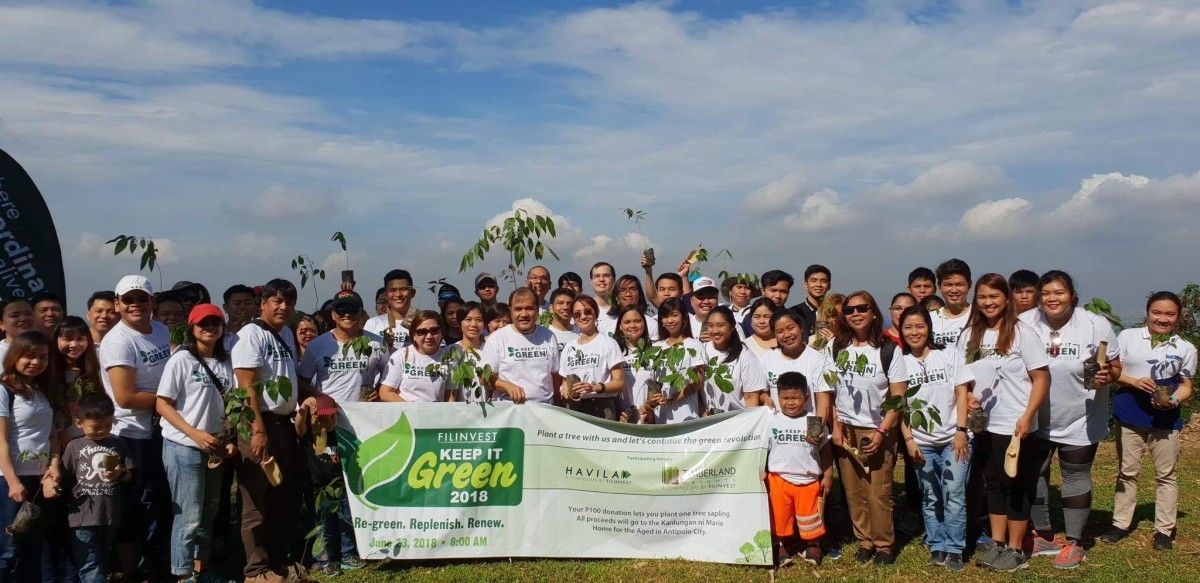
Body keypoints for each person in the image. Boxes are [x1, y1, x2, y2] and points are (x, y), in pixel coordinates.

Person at [1021, 270, 1119, 568]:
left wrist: (1107, 377)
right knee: (1035, 473)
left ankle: (1074, 542)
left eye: (1059, 292)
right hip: (1036, 416)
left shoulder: (1094, 323)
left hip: (1081, 415)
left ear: (1072, 296)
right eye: (1046, 293)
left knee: (1075, 475)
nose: (1052, 298)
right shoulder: (1025, 323)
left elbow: (1115, 367)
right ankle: (1045, 536)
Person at [957, 274, 1050, 573]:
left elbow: (1041, 378)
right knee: (993, 484)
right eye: (982, 297)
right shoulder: (970, 335)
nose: (988, 303)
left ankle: (1016, 548)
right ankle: (998, 544)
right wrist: (969, 396)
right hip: (984, 425)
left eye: (994, 297)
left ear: (1006, 299)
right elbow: (963, 377)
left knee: (1017, 486)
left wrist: (1028, 416)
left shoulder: (1024, 334)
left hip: (1015, 424)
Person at [1100, 291, 1196, 551]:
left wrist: (1174, 400)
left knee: (1166, 475)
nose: (1162, 319)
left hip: (1165, 419)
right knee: (1127, 472)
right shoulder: (1129, 337)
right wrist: (1134, 381)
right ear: (1147, 313)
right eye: (1157, 312)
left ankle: (1164, 529)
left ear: (1178, 317)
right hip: (1129, 412)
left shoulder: (1185, 347)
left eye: (1169, 314)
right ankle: (1120, 524)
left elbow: (1187, 385)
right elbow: (1113, 372)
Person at [298, 291, 385, 574]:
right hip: (326, 429)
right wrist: (321, 398)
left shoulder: (376, 345)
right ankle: (325, 554)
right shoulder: (319, 345)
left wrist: (378, 395)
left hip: (362, 429)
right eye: (341, 310)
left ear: (362, 314)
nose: (347, 314)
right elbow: (302, 381)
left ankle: (350, 551)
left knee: (353, 489)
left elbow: (388, 381)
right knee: (327, 490)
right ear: (333, 314)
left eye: (353, 309)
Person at [231, 278, 309, 583]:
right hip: (259, 423)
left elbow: (289, 378)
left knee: (281, 496)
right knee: (256, 501)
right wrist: (257, 431)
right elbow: (246, 386)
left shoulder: (286, 333)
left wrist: (314, 395)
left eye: (288, 301)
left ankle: (276, 561)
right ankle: (255, 570)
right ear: (262, 303)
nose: (283, 307)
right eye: (276, 301)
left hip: (283, 425)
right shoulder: (250, 335)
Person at [97, 275, 173, 580]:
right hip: (130, 434)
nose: (136, 305)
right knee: (135, 506)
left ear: (152, 302)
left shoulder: (162, 330)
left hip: (161, 429)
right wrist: (172, 401)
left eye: (142, 298)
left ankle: (157, 565)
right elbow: (125, 396)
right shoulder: (119, 340)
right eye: (128, 300)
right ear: (118, 304)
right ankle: (132, 571)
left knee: (160, 502)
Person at [155, 304, 236, 582]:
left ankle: (203, 568)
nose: (210, 328)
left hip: (215, 448)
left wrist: (228, 438)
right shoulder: (181, 360)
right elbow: (163, 404)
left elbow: (232, 405)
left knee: (209, 512)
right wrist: (193, 433)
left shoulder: (226, 361)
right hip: (183, 446)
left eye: (215, 322)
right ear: (192, 327)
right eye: (203, 323)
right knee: (188, 514)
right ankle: (183, 572)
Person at [827, 291, 907, 565]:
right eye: (849, 310)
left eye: (862, 308)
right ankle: (864, 541)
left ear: (874, 312)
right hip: (846, 428)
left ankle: (884, 545)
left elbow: (897, 398)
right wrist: (835, 425)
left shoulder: (888, 350)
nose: (856, 314)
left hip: (877, 429)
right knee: (853, 490)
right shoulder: (836, 348)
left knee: (878, 491)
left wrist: (882, 431)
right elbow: (831, 392)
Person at [897, 306, 974, 572]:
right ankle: (937, 543)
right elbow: (900, 406)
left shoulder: (948, 353)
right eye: (908, 327)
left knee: (954, 493)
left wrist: (962, 431)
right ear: (901, 331)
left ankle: (955, 548)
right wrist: (909, 440)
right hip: (921, 442)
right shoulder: (899, 360)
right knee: (930, 495)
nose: (914, 332)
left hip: (954, 438)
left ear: (928, 328)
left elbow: (962, 393)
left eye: (919, 326)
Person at [0, 331, 60, 581]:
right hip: (10, 481)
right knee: (8, 550)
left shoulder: (42, 390)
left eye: (43, 357)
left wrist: (53, 466)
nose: (36, 362)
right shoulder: (4, 390)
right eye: (29, 356)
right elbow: (1, 440)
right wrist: (13, 481)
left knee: (33, 549)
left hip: (39, 480)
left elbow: (52, 435)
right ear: (15, 356)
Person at [61, 393, 133, 583]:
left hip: (110, 515)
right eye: (96, 427)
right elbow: (65, 477)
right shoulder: (74, 446)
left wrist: (120, 473)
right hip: (82, 516)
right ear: (79, 423)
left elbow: (130, 476)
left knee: (103, 557)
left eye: (108, 425)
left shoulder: (118, 443)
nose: (103, 431)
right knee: (89, 563)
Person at [766, 372, 828, 567]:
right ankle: (781, 545)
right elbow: (763, 450)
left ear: (806, 398)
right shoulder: (771, 420)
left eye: (795, 398)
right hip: (779, 479)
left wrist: (827, 475)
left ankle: (813, 544)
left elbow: (825, 450)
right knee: (779, 516)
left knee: (810, 516)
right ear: (778, 398)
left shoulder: (814, 422)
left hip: (808, 480)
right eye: (785, 398)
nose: (790, 403)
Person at [480, 289, 561, 405]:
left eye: (529, 308)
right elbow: (484, 377)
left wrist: (559, 405)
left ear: (537, 310)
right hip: (510, 410)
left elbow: (555, 376)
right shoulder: (497, 338)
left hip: (544, 409)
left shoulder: (548, 336)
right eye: (518, 309)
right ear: (510, 311)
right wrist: (507, 386)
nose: (524, 314)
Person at [559, 295, 625, 419]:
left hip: (602, 406)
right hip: (574, 407)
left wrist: (595, 387)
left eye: (588, 312)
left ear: (596, 314)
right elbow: (565, 381)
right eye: (577, 314)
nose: (583, 316)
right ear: (573, 317)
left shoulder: (608, 343)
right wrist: (564, 389)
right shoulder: (568, 347)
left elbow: (620, 382)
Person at [700, 306, 766, 413]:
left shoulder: (745, 355)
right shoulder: (701, 351)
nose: (715, 330)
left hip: (736, 421)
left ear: (732, 326)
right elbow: (696, 391)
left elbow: (751, 398)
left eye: (720, 325)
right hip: (708, 422)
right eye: (710, 326)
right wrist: (704, 413)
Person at [649, 298, 704, 423]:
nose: (670, 320)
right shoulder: (656, 347)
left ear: (684, 318)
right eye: (665, 316)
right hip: (661, 418)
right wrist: (652, 401)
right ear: (661, 321)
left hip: (687, 416)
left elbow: (698, 382)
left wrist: (671, 399)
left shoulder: (694, 345)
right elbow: (653, 382)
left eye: (674, 315)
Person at [379, 311, 452, 403]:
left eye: (434, 330)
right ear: (414, 336)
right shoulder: (401, 356)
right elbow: (385, 392)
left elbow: (450, 398)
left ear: (442, 333)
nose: (429, 336)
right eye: (422, 332)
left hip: (436, 415)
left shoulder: (449, 359)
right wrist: (413, 410)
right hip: (406, 414)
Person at [614, 306, 654, 423]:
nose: (632, 325)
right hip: (621, 420)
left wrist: (649, 411)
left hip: (649, 419)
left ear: (644, 324)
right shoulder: (615, 352)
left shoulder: (655, 351)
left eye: (637, 321)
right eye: (627, 322)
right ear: (620, 326)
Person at [365, 269, 416, 352]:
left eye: (403, 289)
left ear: (413, 293)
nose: (398, 294)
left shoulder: (423, 321)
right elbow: (367, 356)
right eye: (393, 290)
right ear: (386, 295)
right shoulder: (373, 323)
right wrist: (383, 344)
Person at [448, 302, 488, 403]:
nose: (473, 324)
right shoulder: (449, 351)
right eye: (468, 319)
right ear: (460, 322)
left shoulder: (491, 350)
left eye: (479, 320)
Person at [600, 275, 657, 341]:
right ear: (616, 296)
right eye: (623, 290)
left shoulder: (652, 324)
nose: (628, 294)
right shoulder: (603, 325)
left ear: (639, 294)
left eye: (633, 289)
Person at [931, 259, 972, 346]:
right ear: (939, 286)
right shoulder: (929, 319)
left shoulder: (979, 316)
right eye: (948, 285)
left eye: (959, 284)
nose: (954, 290)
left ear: (969, 285)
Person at [747, 270, 793, 336]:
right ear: (763, 291)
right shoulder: (749, 319)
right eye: (773, 290)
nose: (778, 296)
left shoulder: (794, 318)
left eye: (783, 291)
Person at [793, 265, 830, 336]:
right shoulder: (793, 313)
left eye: (823, 281)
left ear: (829, 286)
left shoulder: (835, 312)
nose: (818, 284)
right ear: (805, 285)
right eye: (814, 281)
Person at [0, 298, 35, 366]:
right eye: (15, 316)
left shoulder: (47, 348)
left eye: (28, 314)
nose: (23, 319)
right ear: (1, 324)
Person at [545, 288, 579, 353]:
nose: (565, 307)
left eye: (569, 303)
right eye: (560, 303)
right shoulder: (544, 334)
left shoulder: (582, 332)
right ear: (551, 308)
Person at [689, 277, 720, 341]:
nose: (706, 301)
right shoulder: (683, 326)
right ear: (691, 301)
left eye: (711, 296)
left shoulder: (730, 324)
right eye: (701, 296)